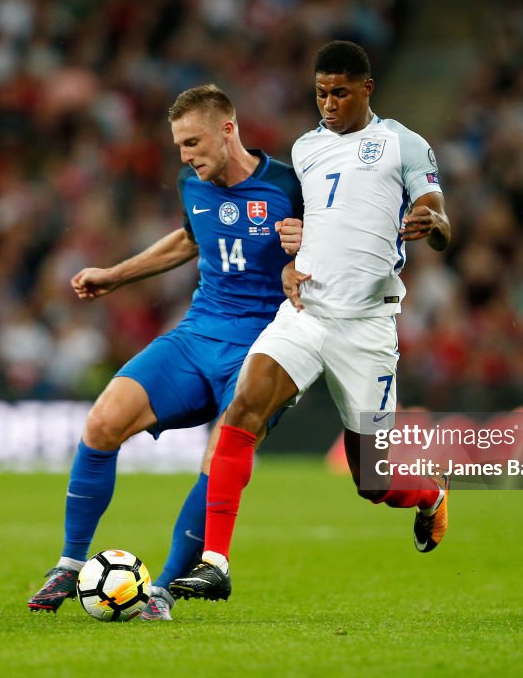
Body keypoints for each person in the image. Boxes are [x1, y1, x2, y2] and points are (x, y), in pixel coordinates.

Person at [170, 41, 452, 602]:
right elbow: (303, 220)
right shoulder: (305, 149)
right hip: (306, 312)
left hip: (367, 327)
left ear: (366, 89)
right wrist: (293, 260)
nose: (328, 103)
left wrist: (431, 221)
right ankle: (215, 562)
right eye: (321, 92)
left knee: (371, 481)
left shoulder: (403, 144)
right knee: (242, 409)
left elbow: (439, 215)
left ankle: (430, 495)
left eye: (340, 93)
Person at [27, 84, 303, 619]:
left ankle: (164, 593)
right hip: (197, 334)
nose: (185, 155)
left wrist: (304, 247)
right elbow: (188, 239)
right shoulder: (190, 183)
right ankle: (67, 564)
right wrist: (116, 275)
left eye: (193, 142)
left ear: (228, 130)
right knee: (103, 421)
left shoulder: (290, 184)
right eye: (179, 145)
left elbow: (334, 240)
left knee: (218, 454)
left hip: (267, 346)